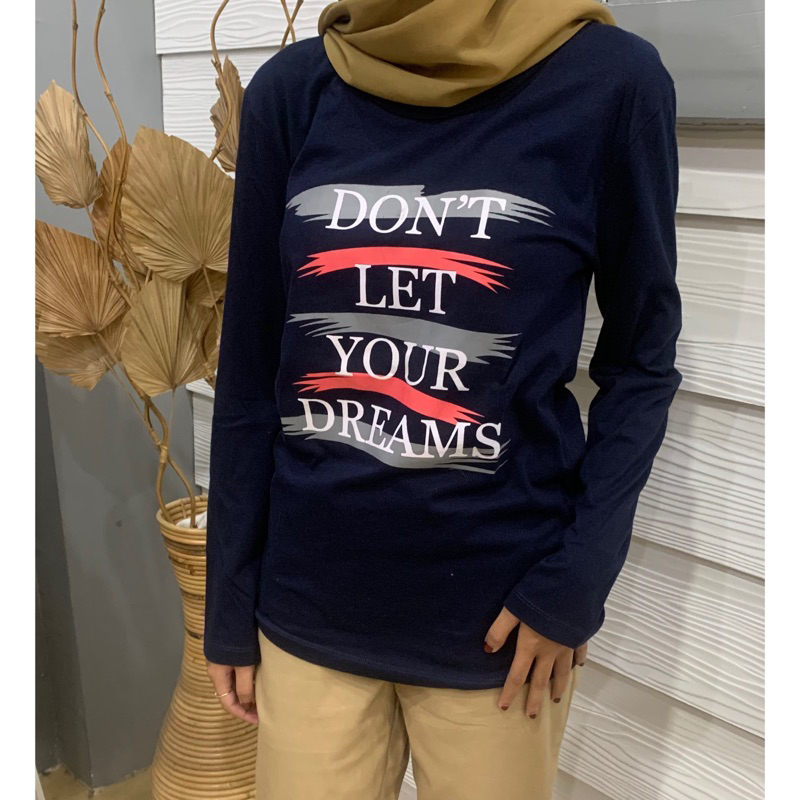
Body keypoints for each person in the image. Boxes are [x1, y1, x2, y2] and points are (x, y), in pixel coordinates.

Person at [204, 1, 683, 798]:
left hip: (502, 627)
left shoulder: (611, 83)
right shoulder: (294, 90)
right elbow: (251, 367)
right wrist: (228, 605)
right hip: (308, 606)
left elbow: (642, 363)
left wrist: (575, 583)